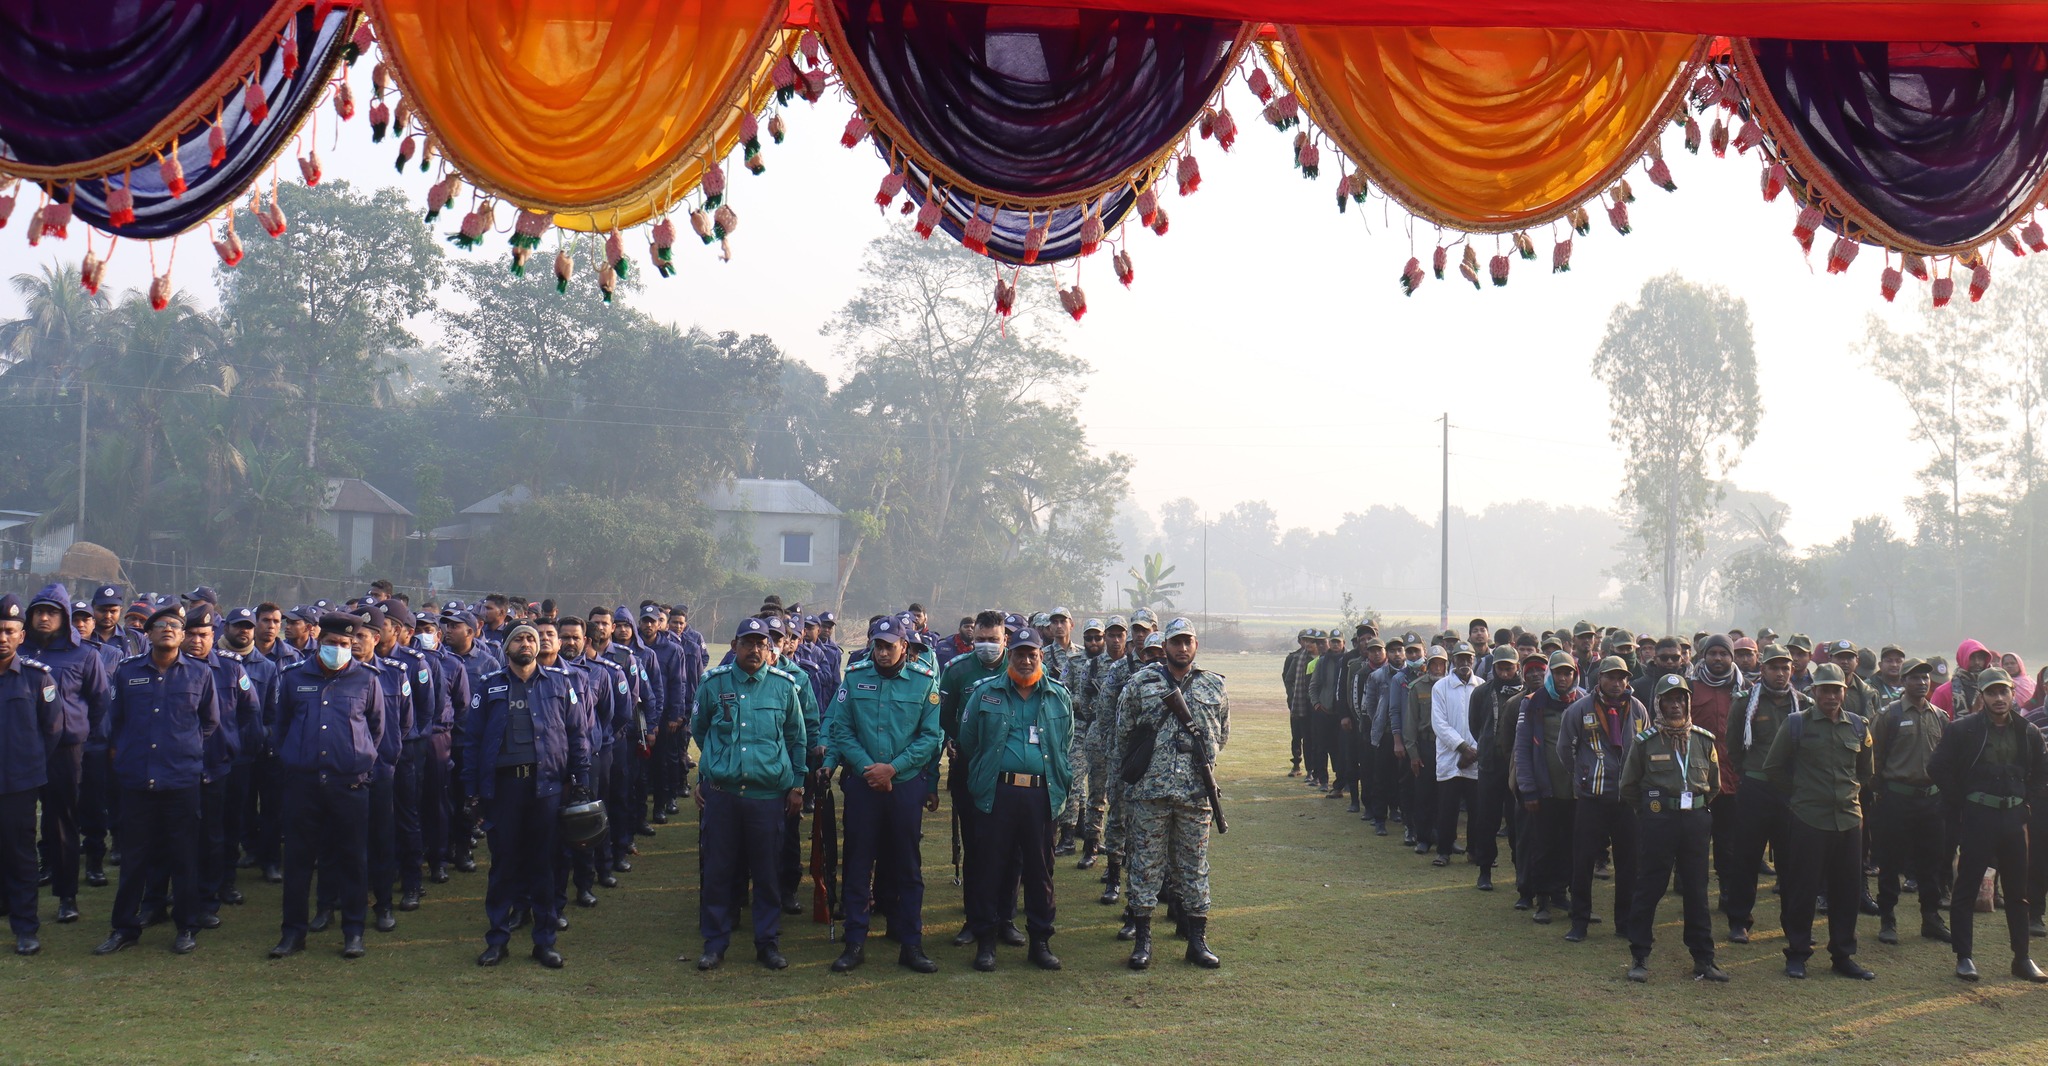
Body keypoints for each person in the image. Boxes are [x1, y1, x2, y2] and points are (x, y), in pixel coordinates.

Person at [462, 622, 590, 969]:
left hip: (546, 788)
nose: (526, 643)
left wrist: (581, 781)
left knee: (544, 866)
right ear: (506, 647)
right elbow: (472, 742)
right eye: (518, 638)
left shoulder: (560, 683)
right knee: (503, 866)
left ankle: (544, 942)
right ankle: (497, 940)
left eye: (530, 638)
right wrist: (472, 792)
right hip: (504, 790)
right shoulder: (489, 685)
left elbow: (577, 735)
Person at [98, 604, 219, 956]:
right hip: (138, 780)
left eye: (175, 626)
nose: (168, 629)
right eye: (160, 625)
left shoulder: (199, 673)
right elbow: (116, 721)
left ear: (182, 636)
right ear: (148, 634)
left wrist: (183, 748)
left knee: (184, 857)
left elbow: (209, 722)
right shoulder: (128, 671)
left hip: (180, 780)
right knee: (134, 858)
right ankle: (125, 927)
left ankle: (186, 926)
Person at [827, 615, 944, 974]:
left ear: (904, 647)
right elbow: (841, 730)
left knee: (907, 866)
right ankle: (854, 941)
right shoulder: (855, 677)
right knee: (858, 863)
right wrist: (869, 768)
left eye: (889, 646)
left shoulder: (924, 682)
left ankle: (911, 943)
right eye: (877, 645)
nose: (881, 652)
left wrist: (892, 769)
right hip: (864, 784)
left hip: (904, 785)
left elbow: (930, 736)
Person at [690, 617, 807, 971]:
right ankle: (715, 943)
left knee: (768, 873)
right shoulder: (713, 683)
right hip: (723, 794)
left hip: (767, 796)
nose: (755, 649)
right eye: (748, 643)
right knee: (719, 871)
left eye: (761, 644)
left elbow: (796, 737)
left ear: (769, 648)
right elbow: (701, 730)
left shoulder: (784, 686)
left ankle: (767, 943)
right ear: (734, 646)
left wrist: (796, 784)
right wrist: (715, 766)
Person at [268, 613, 385, 961]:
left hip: (349, 785)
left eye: (346, 644)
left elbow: (376, 729)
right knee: (299, 861)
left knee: (353, 860)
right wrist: (295, 758)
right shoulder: (293, 677)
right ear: (319, 643)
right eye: (333, 643)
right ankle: (293, 933)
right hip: (303, 784)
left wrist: (357, 760)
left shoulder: (367, 679)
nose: (339, 649)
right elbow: (281, 726)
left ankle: (353, 932)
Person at [957, 627, 1072, 972]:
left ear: (1041, 657)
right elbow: (968, 740)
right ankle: (986, 942)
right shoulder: (985, 693)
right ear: (1010, 656)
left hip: (1040, 795)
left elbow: (1064, 743)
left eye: (1031, 654)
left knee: (1040, 871)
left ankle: (1040, 942)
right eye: (1019, 654)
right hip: (998, 793)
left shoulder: (1058, 696)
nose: (1025, 661)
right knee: (989, 867)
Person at [1117, 617, 1227, 970]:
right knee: (1145, 866)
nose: (1182, 648)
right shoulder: (1141, 683)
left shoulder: (1213, 685)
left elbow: (1222, 734)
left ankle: (1197, 941)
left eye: (1187, 641)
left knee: (1194, 868)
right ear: (1164, 646)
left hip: (1195, 794)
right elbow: (1124, 732)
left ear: (1196, 645)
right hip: (1151, 792)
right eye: (1176, 641)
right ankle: (1142, 940)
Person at [1930, 667, 2048, 982]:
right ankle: (1964, 957)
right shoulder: (1962, 730)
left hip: (2013, 820)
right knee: (1966, 887)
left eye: (2003, 691)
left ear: (2012, 693)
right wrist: (1962, 801)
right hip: (1978, 818)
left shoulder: (2028, 731)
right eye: (1992, 692)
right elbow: (1937, 767)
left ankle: (2022, 958)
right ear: (1982, 696)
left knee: (2017, 892)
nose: (1998, 698)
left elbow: (2041, 772)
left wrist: (2025, 803)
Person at [1762, 662, 1875, 980]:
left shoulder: (1858, 726)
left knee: (1847, 892)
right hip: (1809, 819)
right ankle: (1798, 953)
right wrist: (1801, 795)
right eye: (1825, 690)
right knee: (1803, 889)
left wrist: (1847, 795)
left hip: (1848, 821)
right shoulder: (1796, 724)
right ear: (1814, 691)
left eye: (1836, 690)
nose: (1831, 696)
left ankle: (1843, 954)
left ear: (1844, 691)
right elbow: (1774, 768)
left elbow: (1865, 771)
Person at [1619, 673, 1725, 982]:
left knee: (1696, 890)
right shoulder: (1646, 742)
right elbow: (1629, 787)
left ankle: (1703, 959)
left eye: (1680, 699)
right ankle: (1640, 956)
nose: (1675, 705)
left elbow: (1714, 786)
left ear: (1688, 703)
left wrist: (1695, 811)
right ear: (1659, 704)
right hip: (1659, 821)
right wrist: (1651, 813)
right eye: (1668, 700)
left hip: (1695, 822)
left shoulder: (1703, 741)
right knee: (1650, 886)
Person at [22, 582, 109, 930]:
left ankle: (66, 895)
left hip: (64, 750)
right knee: (15, 823)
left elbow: (99, 703)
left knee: (61, 821)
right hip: (20, 748)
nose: (44, 618)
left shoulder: (84, 655)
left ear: (65, 617)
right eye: (38, 612)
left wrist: (80, 735)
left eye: (51, 613)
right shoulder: (16, 649)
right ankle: (15, 893)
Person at [1557, 656, 1647, 943]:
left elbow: (1644, 749)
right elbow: (1565, 749)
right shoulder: (1579, 709)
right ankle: (1579, 922)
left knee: (1629, 864)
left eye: (1622, 677)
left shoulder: (1638, 708)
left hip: (1627, 801)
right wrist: (1583, 775)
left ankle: (1625, 922)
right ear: (1600, 679)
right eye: (1611, 677)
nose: (1617, 683)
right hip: (1592, 798)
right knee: (1583, 862)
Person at [1723, 644, 1808, 944]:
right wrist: (1748, 775)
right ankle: (1739, 921)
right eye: (1774, 667)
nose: (1780, 673)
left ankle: (1793, 924)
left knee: (1792, 861)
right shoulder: (1746, 703)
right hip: (1755, 789)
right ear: (1763, 670)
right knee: (1746, 857)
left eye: (1785, 667)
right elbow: (1733, 746)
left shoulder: (1803, 705)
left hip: (1790, 792)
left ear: (1792, 670)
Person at [1869, 658, 1951, 945]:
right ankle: (1887, 917)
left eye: (1925, 677)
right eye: (1914, 677)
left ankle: (1931, 917)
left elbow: (1946, 758)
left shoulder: (1940, 716)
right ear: (1903, 682)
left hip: (1931, 801)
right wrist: (1881, 792)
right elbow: (1874, 758)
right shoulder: (1888, 715)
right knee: (1891, 861)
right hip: (1897, 799)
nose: (1922, 682)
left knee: (1932, 862)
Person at [0, 594, 61, 956]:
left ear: (21, 636)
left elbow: (52, 731)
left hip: (18, 785)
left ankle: (25, 927)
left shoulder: (37, 678)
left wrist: (27, 766)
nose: (2, 637)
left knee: (20, 856)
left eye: (10, 631)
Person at [1515, 652, 1582, 925]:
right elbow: (1522, 750)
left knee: (1570, 846)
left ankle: (1561, 894)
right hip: (1544, 790)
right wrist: (1528, 789)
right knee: (1543, 845)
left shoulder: (1583, 702)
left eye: (1568, 673)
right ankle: (1542, 900)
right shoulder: (1532, 703)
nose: (1563, 678)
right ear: (1549, 674)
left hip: (1575, 791)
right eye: (1558, 673)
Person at [1466, 645, 1524, 892]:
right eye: (1500, 667)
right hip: (1490, 764)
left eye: (1509, 667)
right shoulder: (1481, 693)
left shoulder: (1526, 693)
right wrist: (1489, 744)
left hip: (1516, 767)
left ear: (1517, 667)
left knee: (1517, 822)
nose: (1504, 672)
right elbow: (1475, 726)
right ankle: (1485, 870)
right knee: (1486, 819)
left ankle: (1521, 871)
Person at [1429, 643, 1481, 868]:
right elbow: (1439, 723)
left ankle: (1474, 851)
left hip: (1476, 758)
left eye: (1468, 658)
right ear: (1453, 660)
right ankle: (1444, 851)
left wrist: (1474, 751)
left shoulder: (1482, 686)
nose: (1465, 663)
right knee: (1447, 809)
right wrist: (1462, 747)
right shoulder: (1440, 687)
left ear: (1474, 660)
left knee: (1477, 809)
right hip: (1450, 757)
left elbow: (1486, 723)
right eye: (1460, 658)